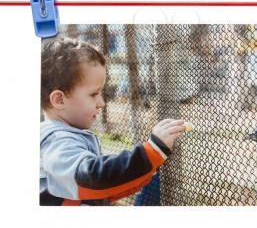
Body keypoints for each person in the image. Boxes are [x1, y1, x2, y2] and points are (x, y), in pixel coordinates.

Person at [40, 37, 185, 205]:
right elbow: (92, 179)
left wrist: (146, 169)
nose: (101, 103)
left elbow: (100, 192)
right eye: (94, 94)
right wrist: (150, 152)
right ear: (59, 100)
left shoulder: (64, 137)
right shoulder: (58, 142)